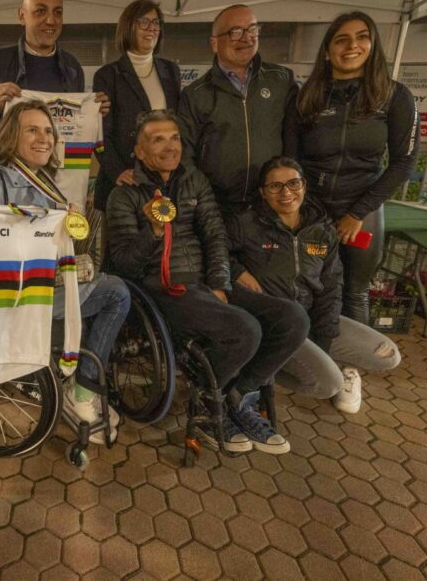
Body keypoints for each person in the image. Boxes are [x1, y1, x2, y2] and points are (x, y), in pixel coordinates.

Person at [106, 110, 308, 454]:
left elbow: (215, 234)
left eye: (174, 138)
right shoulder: (124, 196)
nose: (170, 147)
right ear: (139, 151)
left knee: (293, 319)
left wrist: (219, 282)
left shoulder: (194, 180)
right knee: (245, 330)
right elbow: (125, 263)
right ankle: (206, 404)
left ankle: (238, 396)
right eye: (158, 140)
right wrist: (153, 232)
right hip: (163, 289)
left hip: (207, 281)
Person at [0, 100, 130, 443]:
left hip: (38, 287)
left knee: (110, 284)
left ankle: (79, 377)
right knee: (116, 294)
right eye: (32, 130)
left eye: (48, 131)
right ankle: (82, 390)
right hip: (7, 299)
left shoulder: (45, 181)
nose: (43, 138)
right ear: (10, 136)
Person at [228, 156, 401, 414]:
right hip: (276, 325)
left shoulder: (322, 228)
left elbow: (331, 287)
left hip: (312, 317)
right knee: (328, 384)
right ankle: (262, 369)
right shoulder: (246, 223)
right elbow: (215, 253)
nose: (286, 193)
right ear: (263, 193)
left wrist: (324, 340)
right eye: (275, 186)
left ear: (304, 186)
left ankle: (300, 359)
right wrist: (237, 271)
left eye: (293, 183)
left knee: (388, 355)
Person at [283, 10, 419, 324]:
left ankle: (354, 354)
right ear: (327, 51)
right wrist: (305, 210)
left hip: (363, 210)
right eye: (341, 40)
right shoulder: (306, 97)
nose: (351, 46)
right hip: (313, 209)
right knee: (306, 288)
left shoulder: (395, 96)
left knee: (355, 292)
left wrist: (357, 213)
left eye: (361, 38)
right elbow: (290, 160)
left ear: (373, 46)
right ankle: (310, 350)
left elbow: (404, 162)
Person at [178, 4, 298, 220]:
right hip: (217, 209)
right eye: (235, 32)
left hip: (271, 206)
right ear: (215, 43)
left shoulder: (281, 79)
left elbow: (294, 139)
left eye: (252, 29)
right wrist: (201, 200)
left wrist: (287, 189)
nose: (247, 38)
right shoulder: (195, 94)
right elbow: (185, 155)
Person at [0, 0, 110, 133]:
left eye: (57, 12)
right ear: (22, 16)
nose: (51, 20)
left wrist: (93, 113)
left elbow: (75, 124)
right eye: (40, 11)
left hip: (58, 150)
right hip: (11, 150)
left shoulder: (72, 66)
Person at [92, 0, 181, 212]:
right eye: (144, 22)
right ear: (128, 26)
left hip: (164, 182)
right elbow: (99, 132)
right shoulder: (108, 75)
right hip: (124, 184)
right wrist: (117, 171)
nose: (151, 28)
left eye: (156, 22)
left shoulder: (171, 71)